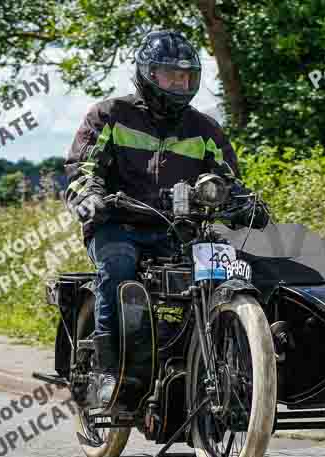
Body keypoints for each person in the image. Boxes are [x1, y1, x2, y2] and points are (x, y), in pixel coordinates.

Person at [64, 30, 267, 406]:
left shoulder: (204, 129)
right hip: (118, 226)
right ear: (146, 74)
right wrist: (93, 197)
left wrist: (244, 203)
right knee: (119, 265)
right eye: (170, 75)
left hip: (180, 232)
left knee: (232, 270)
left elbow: (228, 180)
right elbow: (81, 169)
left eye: (186, 76)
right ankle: (110, 373)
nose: (179, 83)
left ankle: (230, 361)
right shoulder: (110, 115)